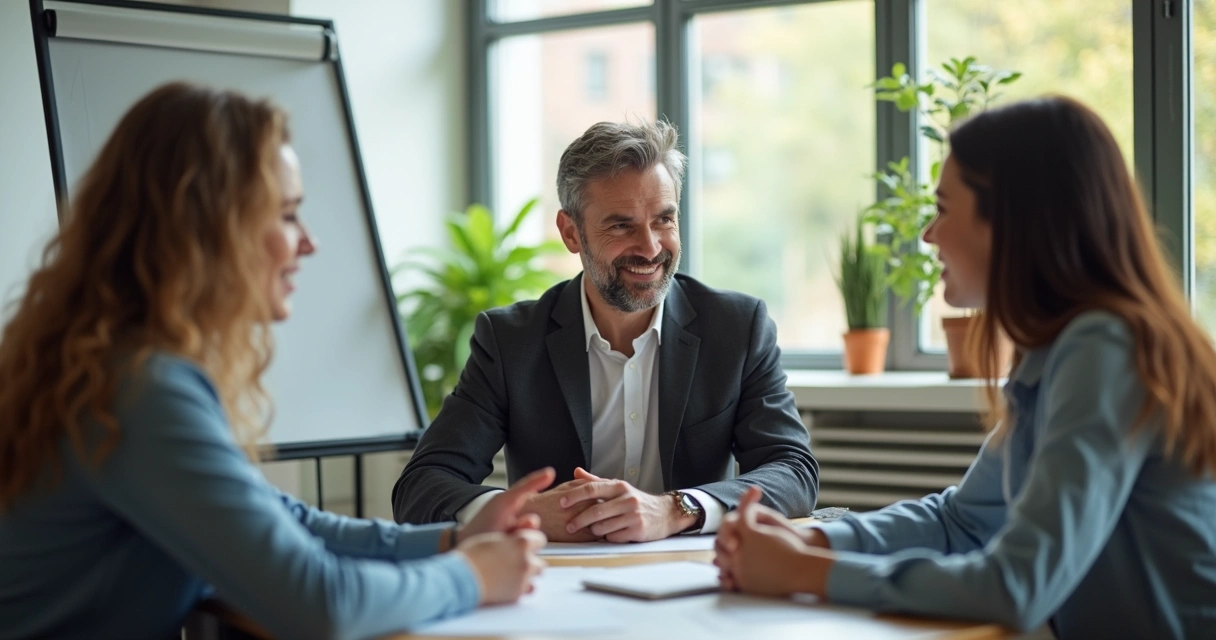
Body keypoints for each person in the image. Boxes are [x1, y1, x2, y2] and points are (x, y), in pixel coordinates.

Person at [0, 82, 552, 640]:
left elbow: (290, 521)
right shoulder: (143, 389)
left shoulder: (116, 362)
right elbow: (319, 603)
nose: (308, 242)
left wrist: (453, 539)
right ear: (212, 229)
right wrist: (472, 575)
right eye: (287, 215)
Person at [713, 96, 1216, 639]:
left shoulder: (1105, 347)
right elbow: (963, 520)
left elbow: (1015, 587)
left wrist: (806, 571)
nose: (928, 234)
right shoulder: (1054, 350)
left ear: (1013, 221)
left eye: (944, 208)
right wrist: (813, 540)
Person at [393, 120, 818, 543]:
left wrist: (676, 509)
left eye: (664, 220)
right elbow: (422, 486)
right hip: (554, 583)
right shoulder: (510, 342)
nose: (651, 248)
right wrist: (523, 512)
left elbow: (793, 470)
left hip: (694, 577)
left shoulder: (737, 328)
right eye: (621, 225)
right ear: (571, 232)